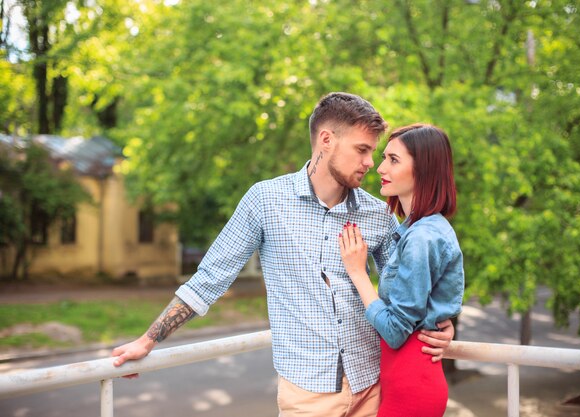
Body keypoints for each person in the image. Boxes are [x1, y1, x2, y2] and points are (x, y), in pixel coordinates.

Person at [112, 93, 455, 417]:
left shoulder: (376, 213)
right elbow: (209, 280)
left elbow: (409, 288)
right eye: (362, 150)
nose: (371, 163)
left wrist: (442, 322)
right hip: (307, 396)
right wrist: (148, 340)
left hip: (372, 387)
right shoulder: (265, 201)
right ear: (326, 140)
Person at [339, 123, 464, 417]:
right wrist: (439, 320)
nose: (380, 167)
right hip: (403, 382)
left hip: (412, 387)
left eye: (393, 160)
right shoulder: (416, 230)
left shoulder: (422, 237)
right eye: (384, 157)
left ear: (424, 169)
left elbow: (396, 331)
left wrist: (358, 273)